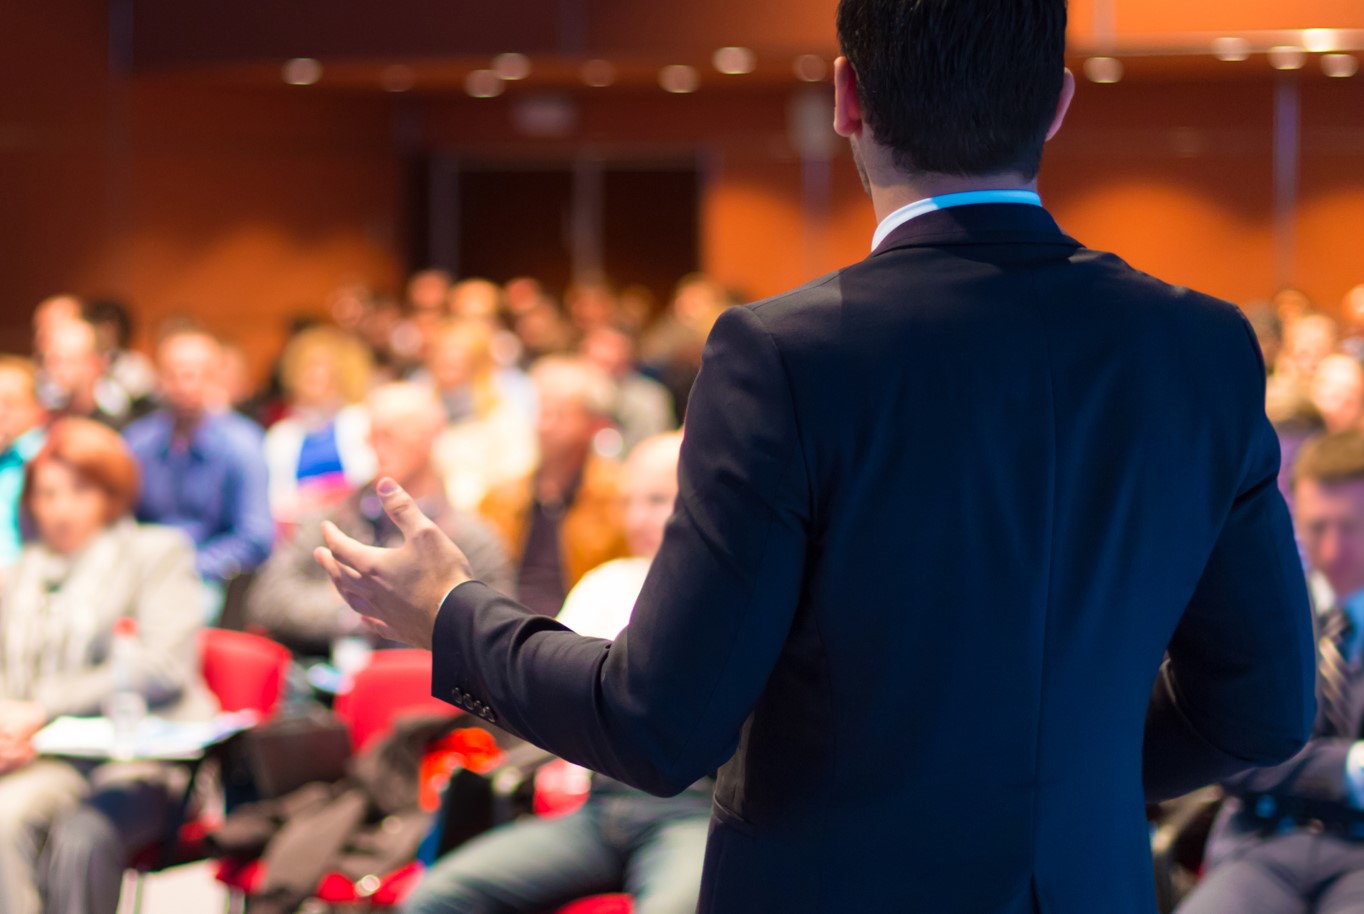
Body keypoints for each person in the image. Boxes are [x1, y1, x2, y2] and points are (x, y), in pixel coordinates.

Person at [316, 2, 1316, 911]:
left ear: (845, 95)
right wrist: (1056, 768)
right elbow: (1264, 711)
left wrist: (453, 613)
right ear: (1056, 105)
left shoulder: (787, 356)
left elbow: (658, 722)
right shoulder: (1197, 346)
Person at [404, 433, 710, 914]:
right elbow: (546, 691)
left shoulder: (724, 600)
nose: (636, 519)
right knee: (434, 899)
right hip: (600, 807)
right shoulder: (608, 580)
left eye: (656, 500)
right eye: (629, 501)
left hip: (689, 812)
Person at [0, 418, 216, 914]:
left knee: (77, 835)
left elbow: (161, 667)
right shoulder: (23, 573)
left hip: (142, 755)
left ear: (112, 494)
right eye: (46, 494)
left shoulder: (156, 553)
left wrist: (39, 706)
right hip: (53, 754)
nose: (60, 509)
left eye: (78, 491)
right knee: (7, 816)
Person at [1176, 431, 1364, 913]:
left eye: (1350, 527)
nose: (1332, 549)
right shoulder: (1266, 609)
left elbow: (1263, 748)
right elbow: (1237, 758)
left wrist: (1294, 764)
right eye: (1316, 527)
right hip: (1262, 842)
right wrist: (1349, 769)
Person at [248, 383, 513, 656]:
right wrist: (357, 608)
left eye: (388, 435)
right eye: (370, 436)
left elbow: (491, 633)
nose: (374, 447)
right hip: (324, 681)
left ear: (431, 435)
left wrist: (387, 606)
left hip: (421, 687)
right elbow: (268, 599)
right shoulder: (332, 519)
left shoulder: (471, 538)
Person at [122, 327, 274, 593]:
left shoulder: (243, 444)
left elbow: (256, 537)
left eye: (196, 374)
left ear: (215, 378)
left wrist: (189, 568)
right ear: (159, 378)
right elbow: (118, 520)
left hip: (211, 578)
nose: (185, 384)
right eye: (173, 374)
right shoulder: (137, 441)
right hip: (143, 571)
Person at [474, 356, 628, 618]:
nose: (543, 425)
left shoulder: (619, 497)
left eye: (558, 415)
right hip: (506, 628)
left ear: (593, 426)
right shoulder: (499, 497)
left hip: (580, 635)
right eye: (541, 411)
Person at [264, 326, 376, 532]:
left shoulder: (361, 421)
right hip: (300, 532)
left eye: (324, 368)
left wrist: (322, 495)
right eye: (308, 367)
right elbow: (276, 501)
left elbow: (368, 480)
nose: (315, 375)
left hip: (356, 526)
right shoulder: (282, 435)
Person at [418, 320, 538, 512]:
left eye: (456, 363)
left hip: (483, 516)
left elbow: (517, 475)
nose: (446, 370)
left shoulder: (502, 416)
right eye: (441, 361)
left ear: (478, 365)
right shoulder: (421, 408)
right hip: (429, 511)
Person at [581, 324, 676, 455]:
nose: (607, 355)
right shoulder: (564, 389)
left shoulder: (649, 398)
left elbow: (654, 449)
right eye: (601, 345)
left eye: (615, 347)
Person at [0, 358, 46, 573]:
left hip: (26, 577)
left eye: (11, 403)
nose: (1, 412)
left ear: (37, 409)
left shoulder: (44, 458)